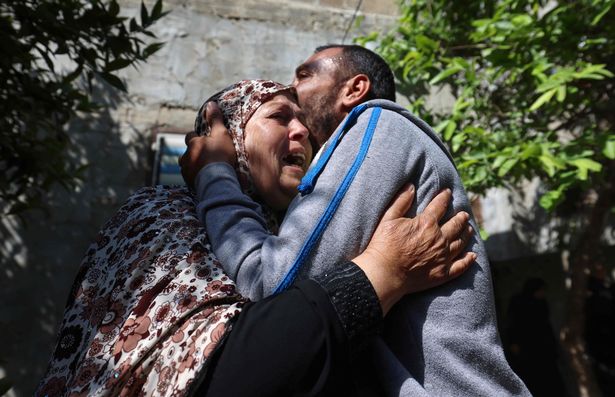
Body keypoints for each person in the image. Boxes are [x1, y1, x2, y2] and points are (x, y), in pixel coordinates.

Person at [37, 80, 473, 397]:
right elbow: (233, 375)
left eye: (304, 123)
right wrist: (380, 274)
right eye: (279, 116)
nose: (302, 132)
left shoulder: (288, 235)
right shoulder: (162, 216)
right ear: (231, 140)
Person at [181, 45, 530, 396]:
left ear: (354, 89)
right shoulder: (171, 216)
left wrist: (214, 173)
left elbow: (270, 285)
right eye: (278, 116)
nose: (292, 88)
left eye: (304, 75)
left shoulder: (377, 123)